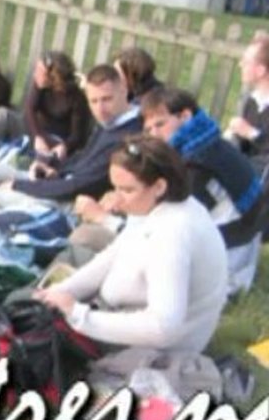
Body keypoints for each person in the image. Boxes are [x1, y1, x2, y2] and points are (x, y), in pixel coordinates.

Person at [35, 136, 228, 353]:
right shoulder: (156, 205)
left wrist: (79, 315)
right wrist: (59, 293)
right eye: (114, 188)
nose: (116, 199)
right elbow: (114, 254)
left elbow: (164, 327)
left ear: (159, 186)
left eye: (126, 190)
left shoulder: (172, 236)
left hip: (151, 350)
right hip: (120, 315)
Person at [75, 87, 264, 293]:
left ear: (185, 116)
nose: (155, 135)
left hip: (220, 271)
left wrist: (105, 217)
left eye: (160, 124)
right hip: (230, 252)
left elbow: (160, 233)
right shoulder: (206, 144)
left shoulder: (196, 165)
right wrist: (123, 199)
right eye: (149, 129)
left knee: (86, 238)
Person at [0, 64, 142, 215]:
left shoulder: (128, 136)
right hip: (58, 182)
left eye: (107, 99)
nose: (100, 109)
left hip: (67, 201)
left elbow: (81, 185)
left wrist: (20, 185)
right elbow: (82, 159)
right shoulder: (110, 123)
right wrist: (53, 168)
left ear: (124, 90)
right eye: (94, 101)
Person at [0, 50, 91, 159]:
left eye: (38, 71)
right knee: (3, 115)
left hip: (55, 142)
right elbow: (29, 110)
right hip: (34, 131)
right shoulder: (40, 84)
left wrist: (64, 146)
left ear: (53, 77)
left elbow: (77, 136)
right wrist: (37, 136)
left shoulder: (76, 98)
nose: (34, 74)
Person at [227, 33, 269, 179]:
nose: (240, 65)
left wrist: (251, 133)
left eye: (246, 62)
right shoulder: (251, 101)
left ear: (260, 70)